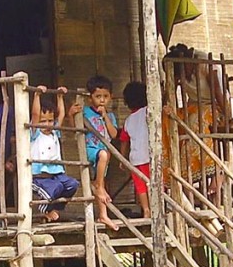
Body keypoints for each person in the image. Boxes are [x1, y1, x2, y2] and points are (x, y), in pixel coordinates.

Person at [164, 44, 227, 197]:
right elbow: (169, 93)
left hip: (212, 106)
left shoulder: (204, 63)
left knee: (195, 122)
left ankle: (218, 170)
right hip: (192, 107)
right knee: (170, 121)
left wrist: (227, 115)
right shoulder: (179, 69)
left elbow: (218, 92)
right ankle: (185, 173)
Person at [70, 75, 119, 231]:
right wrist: (71, 114)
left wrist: (105, 117)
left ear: (111, 97)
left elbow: (114, 135)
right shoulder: (85, 111)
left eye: (105, 96)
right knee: (104, 157)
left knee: (104, 167)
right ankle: (98, 185)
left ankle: (103, 214)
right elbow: (75, 129)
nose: (102, 100)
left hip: (103, 154)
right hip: (91, 150)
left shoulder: (109, 116)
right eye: (98, 97)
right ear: (90, 98)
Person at [29, 86, 79, 222]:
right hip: (39, 176)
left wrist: (59, 97)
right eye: (43, 121)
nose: (47, 124)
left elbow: (61, 115)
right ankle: (44, 210)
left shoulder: (54, 132)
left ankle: (53, 208)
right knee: (55, 188)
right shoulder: (35, 133)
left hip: (57, 174)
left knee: (72, 184)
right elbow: (35, 115)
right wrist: (37, 96)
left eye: (50, 121)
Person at [119, 81, 151, 219]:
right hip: (150, 155)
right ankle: (156, 208)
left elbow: (124, 141)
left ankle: (146, 210)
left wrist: (122, 159)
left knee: (141, 186)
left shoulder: (129, 120)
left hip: (135, 158)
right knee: (153, 183)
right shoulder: (149, 111)